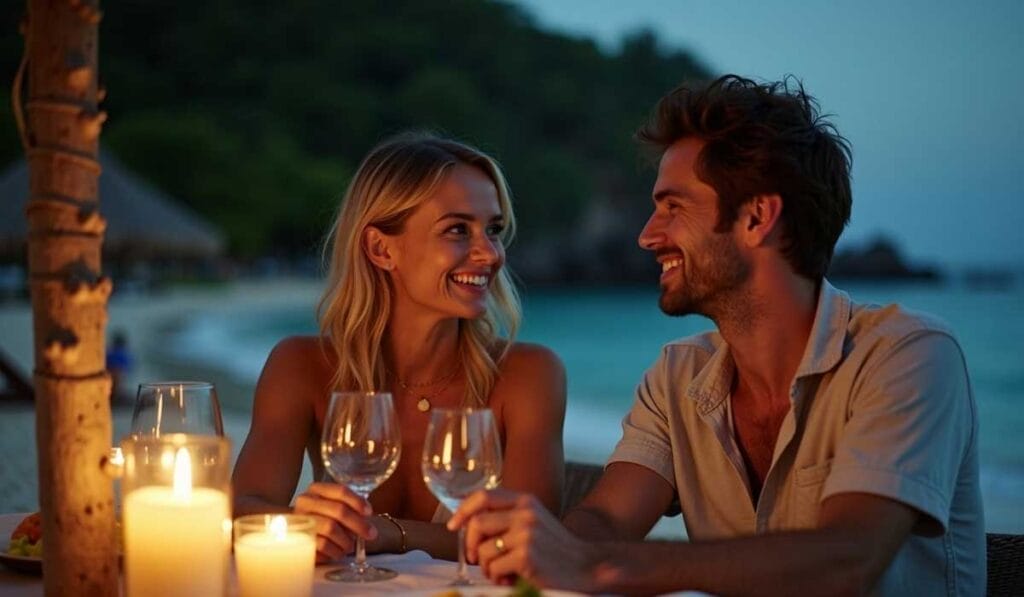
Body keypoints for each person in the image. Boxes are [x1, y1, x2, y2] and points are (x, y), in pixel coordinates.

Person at [449, 75, 985, 595]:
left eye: (672, 207)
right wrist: (544, 550)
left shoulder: (907, 356)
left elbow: (845, 560)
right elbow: (608, 521)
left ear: (757, 217)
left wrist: (600, 566)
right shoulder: (677, 376)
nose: (646, 235)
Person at [232, 132, 566, 561]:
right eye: (458, 230)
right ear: (380, 248)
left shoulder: (528, 375)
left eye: (494, 230)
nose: (490, 254)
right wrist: (302, 523)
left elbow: (522, 541)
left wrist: (386, 533)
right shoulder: (303, 365)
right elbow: (243, 511)